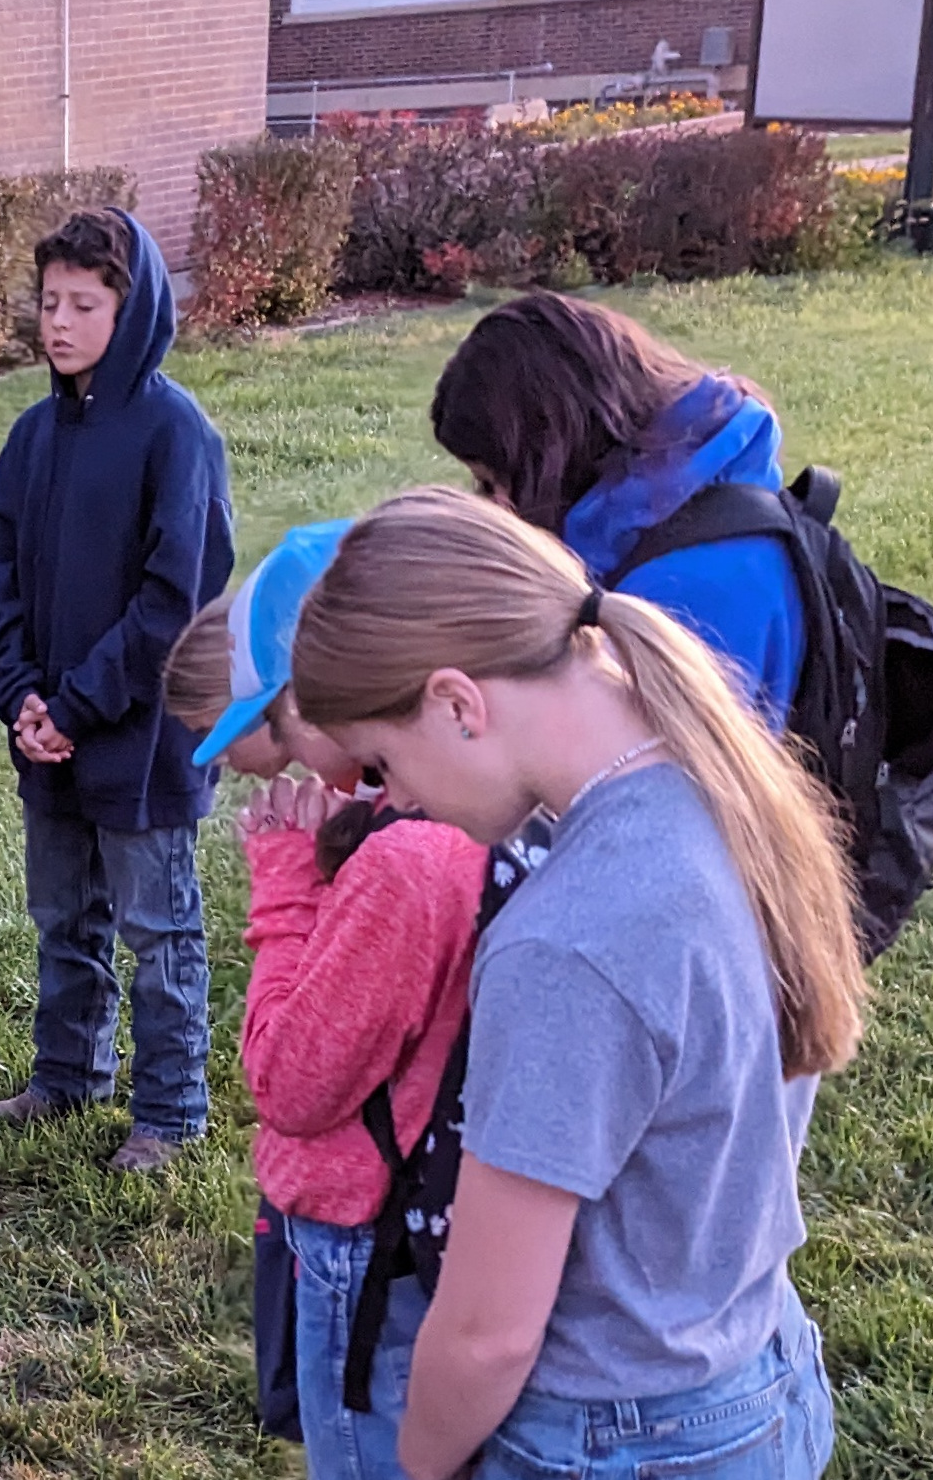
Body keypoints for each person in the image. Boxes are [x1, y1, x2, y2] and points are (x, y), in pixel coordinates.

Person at [288, 487, 861, 1480]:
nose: (397, 799)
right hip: (756, 1370)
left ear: (457, 704)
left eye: (383, 761)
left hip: (615, 1439)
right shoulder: (729, 784)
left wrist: (419, 1462)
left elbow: (487, 1334)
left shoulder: (568, 938)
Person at [163, 523, 482, 1478]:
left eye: (290, 724)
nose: (296, 761)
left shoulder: (407, 861)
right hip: (413, 1227)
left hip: (364, 1240)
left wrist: (286, 888)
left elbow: (290, 1081)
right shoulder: (441, 820)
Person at [0, 208, 238, 1173]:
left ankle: (169, 1110)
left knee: (157, 927)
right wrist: (22, 698)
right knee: (63, 914)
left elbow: (174, 599)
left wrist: (76, 705)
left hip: (141, 737)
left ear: (133, 309)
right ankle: (68, 1073)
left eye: (84, 304)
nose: (60, 323)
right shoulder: (34, 436)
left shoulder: (175, 434)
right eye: (49, 303)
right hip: (48, 732)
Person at [430, 293, 801, 722]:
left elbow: (642, 759)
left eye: (496, 482)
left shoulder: (684, 588)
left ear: (550, 457)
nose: (496, 507)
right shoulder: (662, 511)